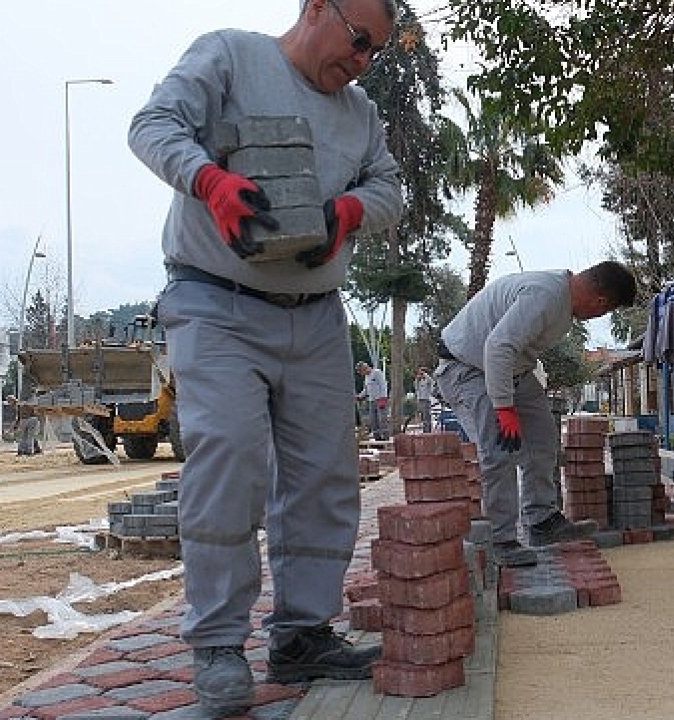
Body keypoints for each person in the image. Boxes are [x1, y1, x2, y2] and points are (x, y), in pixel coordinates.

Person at [127, 0, 403, 715]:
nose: (365, 60)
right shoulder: (230, 56)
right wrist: (208, 180)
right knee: (228, 459)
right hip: (215, 301)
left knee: (324, 479)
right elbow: (152, 125)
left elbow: (388, 188)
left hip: (313, 317)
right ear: (319, 8)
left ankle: (303, 634)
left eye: (378, 51)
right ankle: (218, 643)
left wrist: (348, 213)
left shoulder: (361, 113)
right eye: (361, 39)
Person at [434, 261, 638, 567]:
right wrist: (504, 408)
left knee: (542, 436)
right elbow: (498, 346)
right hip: (466, 368)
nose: (599, 316)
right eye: (605, 312)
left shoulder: (561, 301)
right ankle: (501, 540)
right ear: (600, 302)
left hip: (512, 370)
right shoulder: (546, 294)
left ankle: (542, 521)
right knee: (500, 452)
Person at [356, 361, 389, 440]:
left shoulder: (377, 372)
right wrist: (359, 396)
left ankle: (385, 438)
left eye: (361, 371)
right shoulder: (367, 377)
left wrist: (383, 398)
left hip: (380, 399)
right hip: (371, 401)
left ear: (364, 368)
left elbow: (383, 385)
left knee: (382, 420)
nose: (362, 374)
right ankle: (377, 439)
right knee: (373, 421)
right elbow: (366, 390)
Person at [413, 366, 435, 432]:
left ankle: (427, 430)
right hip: (420, 399)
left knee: (426, 416)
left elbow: (432, 382)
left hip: (426, 399)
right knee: (422, 416)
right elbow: (415, 387)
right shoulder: (419, 381)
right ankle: (424, 429)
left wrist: (425, 375)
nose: (420, 375)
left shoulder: (428, 380)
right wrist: (417, 379)